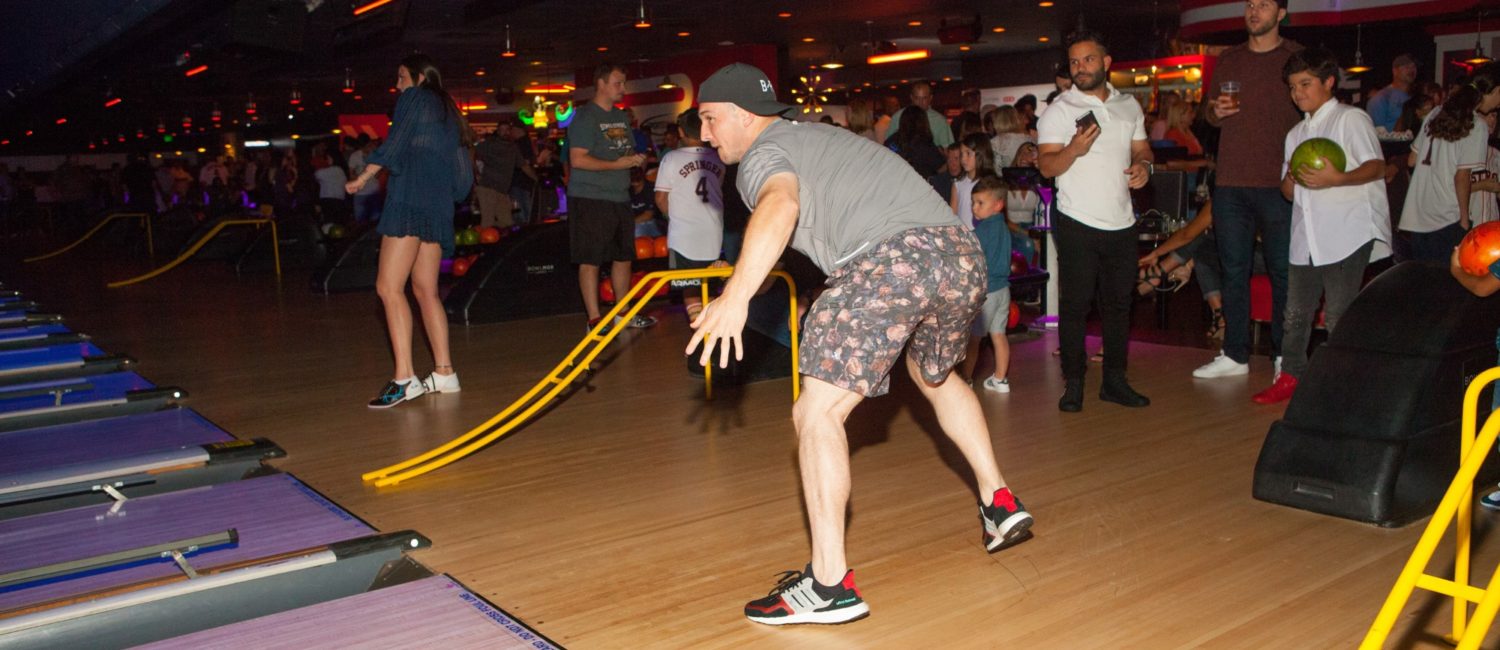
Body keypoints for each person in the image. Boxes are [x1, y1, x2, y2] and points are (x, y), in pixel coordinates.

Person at [691, 62, 1033, 626]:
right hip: (959, 254)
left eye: (709, 119)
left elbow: (781, 205)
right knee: (936, 376)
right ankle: (999, 501)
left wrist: (735, 297)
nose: (704, 134)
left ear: (743, 114)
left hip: (891, 260)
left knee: (816, 411)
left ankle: (828, 584)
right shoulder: (820, 137)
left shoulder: (761, 155)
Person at [1254, 47, 1391, 405]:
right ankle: (1290, 376)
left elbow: (1377, 167)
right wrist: (1290, 180)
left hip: (1347, 231)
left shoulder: (1351, 119)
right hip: (1307, 235)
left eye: (1305, 84)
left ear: (1329, 82)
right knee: (1295, 313)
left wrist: (1337, 178)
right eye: (1292, 86)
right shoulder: (1295, 133)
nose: (1297, 93)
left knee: (1339, 314)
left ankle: (1344, 383)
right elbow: (1287, 190)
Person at [344, 53, 474, 408]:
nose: (398, 84)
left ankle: (405, 379)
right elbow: (463, 181)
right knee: (426, 291)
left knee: (388, 287)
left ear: (419, 78)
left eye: (401, 77)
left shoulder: (414, 98)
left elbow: (396, 143)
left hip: (409, 203)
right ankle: (445, 373)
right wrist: (439, 195)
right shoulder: (451, 114)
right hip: (438, 209)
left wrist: (364, 177)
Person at [1037, 30, 1154, 413]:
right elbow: (1046, 166)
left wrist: (1144, 166)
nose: (1080, 67)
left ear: (1106, 62)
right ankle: (1073, 383)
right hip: (1077, 220)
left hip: (1122, 221)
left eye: (1087, 59)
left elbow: (1142, 148)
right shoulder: (1059, 110)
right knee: (1075, 306)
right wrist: (1073, 149)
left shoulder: (1128, 105)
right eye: (1074, 62)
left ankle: (1115, 382)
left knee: (1119, 305)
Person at [1193, 0, 1304, 383]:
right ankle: (1234, 353)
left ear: (1281, 13)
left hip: (1280, 182)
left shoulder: (1296, 58)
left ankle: (1284, 356)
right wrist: (1215, 113)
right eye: (1250, 4)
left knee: (1283, 272)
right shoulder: (1229, 59)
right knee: (1233, 269)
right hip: (1231, 181)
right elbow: (1208, 114)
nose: (1254, 10)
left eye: (1264, 4)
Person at [567, 63, 657, 332]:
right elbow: (578, 159)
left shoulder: (619, 117)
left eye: (624, 83)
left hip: (619, 196)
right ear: (601, 84)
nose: (623, 89)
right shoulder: (585, 117)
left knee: (623, 256)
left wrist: (635, 160)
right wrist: (616, 165)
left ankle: (623, 312)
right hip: (590, 197)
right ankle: (594, 319)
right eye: (618, 83)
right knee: (591, 258)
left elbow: (623, 153)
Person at [1399, 64, 1500, 261]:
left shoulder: (1436, 112)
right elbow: (1462, 177)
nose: (1498, 105)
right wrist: (1464, 219)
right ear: (1496, 90)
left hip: (1417, 215)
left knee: (1424, 277)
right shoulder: (1476, 124)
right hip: (1446, 217)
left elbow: (1412, 160)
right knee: (1447, 278)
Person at [654, 108, 726, 320]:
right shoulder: (718, 157)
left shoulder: (671, 158)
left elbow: (660, 198)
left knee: (691, 287)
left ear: (681, 132)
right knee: (709, 285)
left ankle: (700, 330)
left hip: (683, 236)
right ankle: (711, 330)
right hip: (712, 232)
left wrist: (673, 218)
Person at [959, 175, 1014, 393]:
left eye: (980, 203)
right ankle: (1000, 379)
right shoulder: (1004, 228)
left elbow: (973, 260)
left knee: (974, 339)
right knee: (998, 335)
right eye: (973, 202)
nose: (974, 207)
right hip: (1003, 291)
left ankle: (965, 379)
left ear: (998, 205)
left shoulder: (982, 231)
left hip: (987, 293)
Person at [474, 124, 527, 229]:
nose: (505, 132)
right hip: (487, 187)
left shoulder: (513, 147)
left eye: (507, 130)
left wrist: (535, 178)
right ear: (498, 132)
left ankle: (495, 236)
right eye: (502, 130)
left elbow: (523, 165)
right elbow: (472, 151)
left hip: (501, 189)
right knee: (488, 222)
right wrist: (476, 172)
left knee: (506, 222)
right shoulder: (489, 144)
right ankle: (488, 236)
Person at [882, 82, 954, 148]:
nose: (920, 102)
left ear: (930, 98)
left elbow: (948, 148)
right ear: (911, 97)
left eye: (924, 98)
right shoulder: (898, 117)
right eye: (917, 98)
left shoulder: (940, 121)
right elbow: (888, 145)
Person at [949, 133, 996, 228]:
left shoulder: (990, 184)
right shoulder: (958, 183)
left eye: (968, 153)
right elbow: (952, 215)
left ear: (981, 154)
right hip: (963, 234)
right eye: (962, 154)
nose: (963, 159)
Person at [1367, 54, 1419, 133]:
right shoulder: (1381, 98)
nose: (1411, 70)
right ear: (1395, 71)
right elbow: (1377, 135)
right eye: (1406, 67)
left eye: (1414, 66)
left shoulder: (1416, 97)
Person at [888, 107, 945, 176]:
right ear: (923, 122)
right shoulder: (925, 144)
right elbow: (941, 168)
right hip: (918, 181)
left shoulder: (891, 141)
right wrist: (945, 157)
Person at [1471, 110, 1500, 226]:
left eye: (1495, 116)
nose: (1493, 119)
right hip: (1467, 225)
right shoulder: (1460, 150)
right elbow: (1450, 189)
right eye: (1489, 115)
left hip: (1491, 224)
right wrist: (1481, 185)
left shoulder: (1496, 154)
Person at [347, 136, 383, 223]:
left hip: (374, 192)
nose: (368, 147)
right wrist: (361, 177)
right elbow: (351, 175)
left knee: (375, 222)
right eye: (366, 146)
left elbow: (378, 175)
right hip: (360, 194)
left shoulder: (375, 155)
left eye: (369, 145)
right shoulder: (355, 156)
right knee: (361, 222)